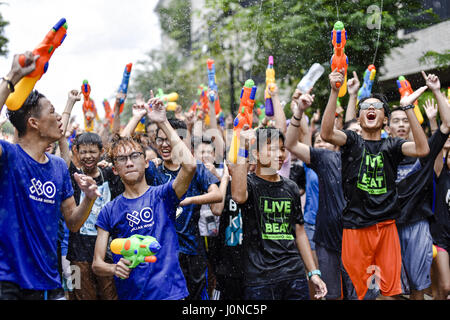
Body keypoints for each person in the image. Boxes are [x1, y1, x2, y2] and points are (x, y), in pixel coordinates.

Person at [320, 68, 430, 300]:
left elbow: (422, 149)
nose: (371, 109)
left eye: (377, 107)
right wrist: (333, 91)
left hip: (387, 226)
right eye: (365, 107)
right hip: (355, 227)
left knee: (390, 293)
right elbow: (327, 133)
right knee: (357, 293)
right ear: (359, 118)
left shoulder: (392, 145)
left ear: (385, 119)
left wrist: (408, 107)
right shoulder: (351, 141)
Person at [0, 52, 99, 300]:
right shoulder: (9, 157)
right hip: (8, 282)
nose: (59, 118)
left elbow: (73, 223)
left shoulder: (57, 166)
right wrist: (12, 77)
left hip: (49, 281)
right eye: (52, 112)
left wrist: (88, 198)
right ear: (33, 122)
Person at [92, 96, 197, 300]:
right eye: (122, 159)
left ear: (146, 162)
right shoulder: (109, 210)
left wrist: (162, 122)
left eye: (135, 156)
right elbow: (97, 264)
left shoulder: (164, 195)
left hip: (170, 294)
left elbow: (190, 166)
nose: (129, 163)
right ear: (115, 169)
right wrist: (113, 268)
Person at [230, 125, 327, 300]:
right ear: (257, 154)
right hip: (259, 278)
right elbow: (237, 195)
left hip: (294, 274)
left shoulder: (291, 187)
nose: (280, 154)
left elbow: (299, 232)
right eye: (272, 148)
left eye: (282, 149)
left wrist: (313, 272)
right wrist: (243, 148)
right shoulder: (249, 184)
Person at [285, 88, 357, 300]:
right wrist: (299, 111)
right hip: (324, 237)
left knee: (359, 295)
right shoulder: (326, 159)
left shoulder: (375, 162)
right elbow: (292, 143)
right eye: (353, 135)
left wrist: (351, 96)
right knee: (328, 292)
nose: (357, 139)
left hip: (360, 241)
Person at [386, 72, 450, 300]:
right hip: (388, 228)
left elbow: (447, 124)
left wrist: (436, 89)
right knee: (390, 290)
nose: (402, 124)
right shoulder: (381, 154)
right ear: (388, 127)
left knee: (417, 289)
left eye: (406, 119)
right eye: (397, 121)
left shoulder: (425, 154)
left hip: (417, 227)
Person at [66, 132, 125, 300]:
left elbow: (121, 144)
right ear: (76, 152)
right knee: (80, 295)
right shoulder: (73, 177)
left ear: (101, 152)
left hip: (107, 251)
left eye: (92, 152)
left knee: (110, 296)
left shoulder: (110, 175)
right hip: (78, 253)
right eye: (83, 152)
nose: (88, 156)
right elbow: (63, 147)